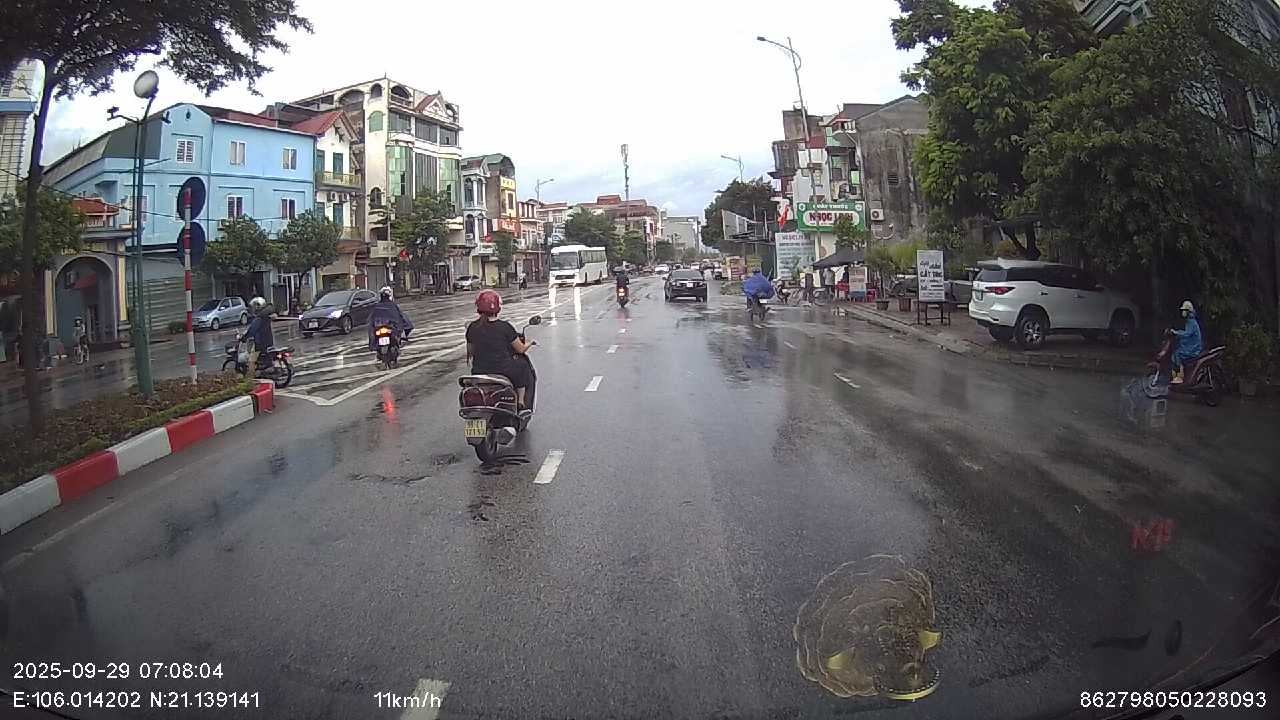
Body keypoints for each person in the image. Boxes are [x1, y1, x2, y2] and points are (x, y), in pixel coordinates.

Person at [466, 290, 534, 409]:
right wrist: (529, 343)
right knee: (522, 366)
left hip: (479, 371)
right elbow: (520, 349)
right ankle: (521, 401)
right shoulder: (505, 327)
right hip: (504, 370)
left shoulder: (472, 327)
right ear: (498, 307)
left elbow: (470, 352)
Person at [368, 286, 414, 350]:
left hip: (386, 329)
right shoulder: (391, 305)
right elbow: (402, 316)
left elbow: (371, 319)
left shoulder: (378, 306)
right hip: (386, 328)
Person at [1169, 300, 1203, 384]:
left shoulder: (1191, 322)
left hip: (1193, 348)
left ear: (1188, 311)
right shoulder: (1190, 321)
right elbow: (1187, 333)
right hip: (1191, 346)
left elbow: (1187, 334)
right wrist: (1177, 333)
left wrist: (1176, 332)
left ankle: (1180, 377)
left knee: (1177, 355)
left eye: (1184, 310)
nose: (1183, 312)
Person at [242, 296, 274, 371]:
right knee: (265, 359)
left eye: (253, 307)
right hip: (268, 340)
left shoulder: (259, 317)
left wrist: (244, 338)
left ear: (257, 307)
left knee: (253, 359)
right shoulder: (265, 315)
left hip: (261, 342)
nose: (253, 309)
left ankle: (256, 373)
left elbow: (252, 330)